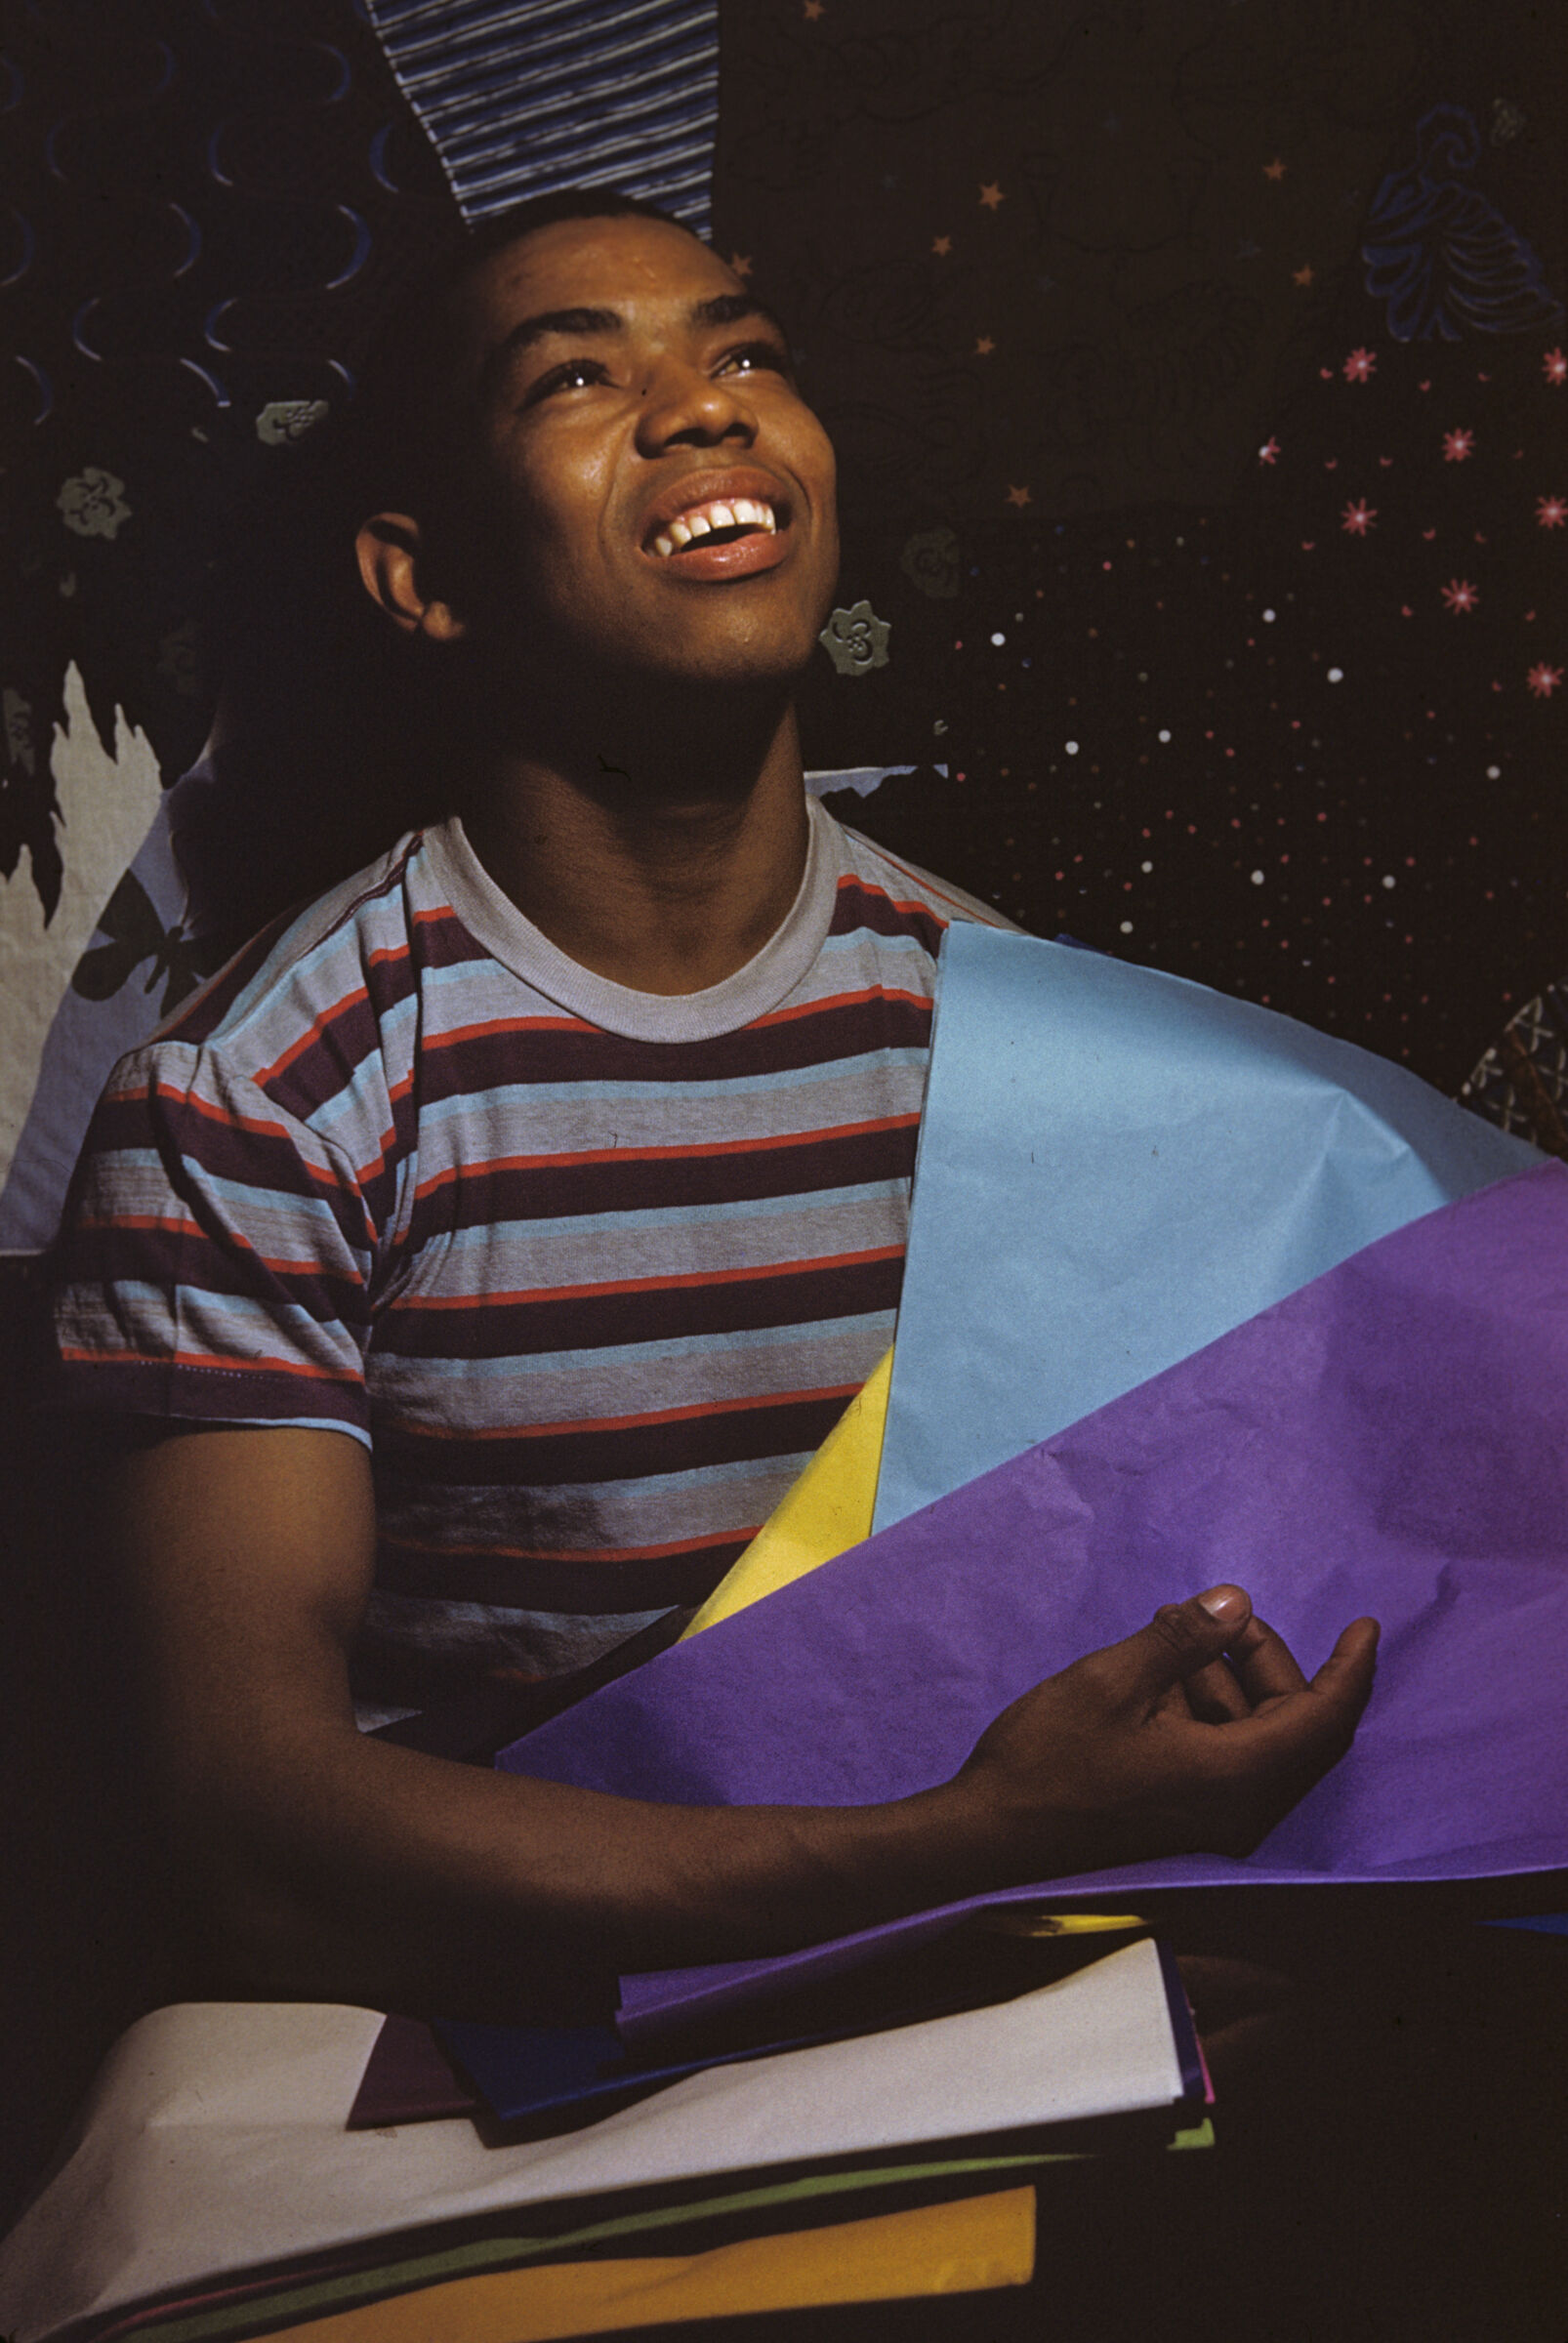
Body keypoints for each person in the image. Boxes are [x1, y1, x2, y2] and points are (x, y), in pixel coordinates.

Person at [49, 190, 1378, 2022]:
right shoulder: (257, 1105)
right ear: (422, 579)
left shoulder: (1026, 1041)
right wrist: (960, 1849)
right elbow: (251, 1844)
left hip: (992, 2023)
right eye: (575, 377)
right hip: (501, 2054)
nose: (702, 406)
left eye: (744, 351)